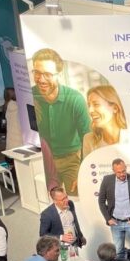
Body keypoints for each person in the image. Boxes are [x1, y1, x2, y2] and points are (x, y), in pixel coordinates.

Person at [30, 48, 91, 194]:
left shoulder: (75, 99)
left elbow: (87, 137)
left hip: (71, 160)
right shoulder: (30, 96)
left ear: (60, 74)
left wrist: (84, 170)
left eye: (47, 74)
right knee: (46, 200)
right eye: (37, 72)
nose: (41, 79)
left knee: (78, 197)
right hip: (42, 161)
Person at [82, 85, 127, 157]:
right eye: (89, 105)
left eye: (96, 104)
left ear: (115, 108)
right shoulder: (88, 140)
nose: (90, 110)